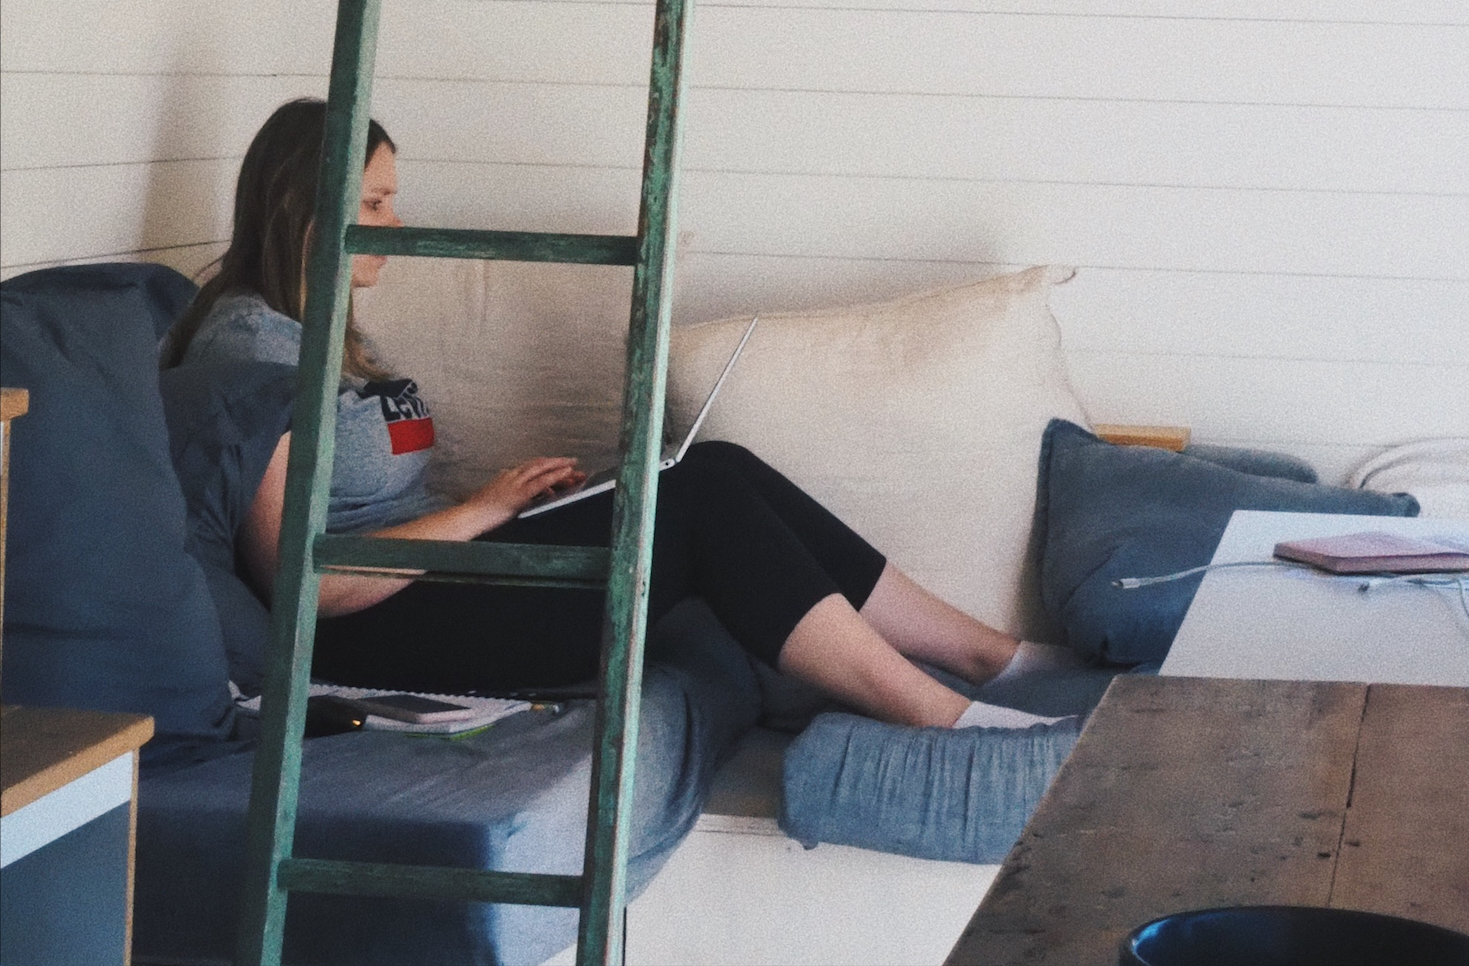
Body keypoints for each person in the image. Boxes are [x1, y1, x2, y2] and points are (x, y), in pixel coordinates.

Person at [165, 100, 1065, 727]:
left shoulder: (327, 332)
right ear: (302, 210)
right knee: (698, 504)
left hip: (439, 583)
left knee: (715, 468)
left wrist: (513, 502)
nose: (395, 226)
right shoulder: (251, 351)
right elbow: (308, 585)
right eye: (372, 205)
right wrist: (485, 511)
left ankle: (994, 657)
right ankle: (943, 711)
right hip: (381, 634)